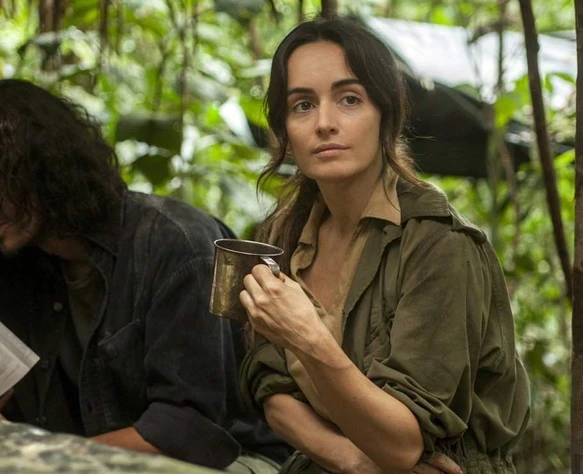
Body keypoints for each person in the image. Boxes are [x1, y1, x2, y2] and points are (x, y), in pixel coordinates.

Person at [239, 18, 531, 474]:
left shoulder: (439, 245)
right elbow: (270, 388)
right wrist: (352, 460)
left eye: (349, 99)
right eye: (303, 105)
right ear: (284, 128)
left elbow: (401, 445)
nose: (324, 123)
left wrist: (308, 337)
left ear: (386, 115)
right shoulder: (282, 234)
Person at [0, 79, 289, 471]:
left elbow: (187, 431)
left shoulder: (177, 243)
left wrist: (50, 457)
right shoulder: (21, 259)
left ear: (42, 170)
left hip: (228, 461)